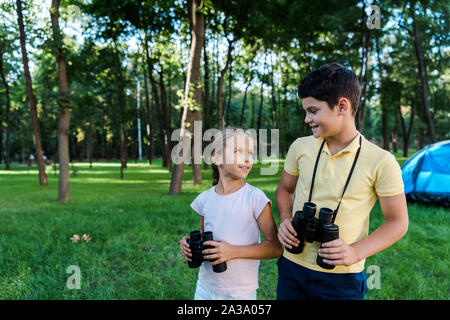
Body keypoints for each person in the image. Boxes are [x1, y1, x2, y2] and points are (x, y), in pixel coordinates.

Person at [276, 63, 409, 300]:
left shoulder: (381, 161)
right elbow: (285, 189)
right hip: (292, 266)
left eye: (313, 111)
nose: (307, 119)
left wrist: (355, 252)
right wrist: (286, 220)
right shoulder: (300, 147)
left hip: (341, 277)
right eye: (306, 111)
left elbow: (398, 222)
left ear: (342, 106)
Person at [180, 127, 282, 300]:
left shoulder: (255, 198)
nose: (247, 158)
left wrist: (233, 251)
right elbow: (207, 240)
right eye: (238, 151)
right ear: (216, 158)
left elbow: (275, 247)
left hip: (240, 293)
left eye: (250, 152)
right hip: (205, 288)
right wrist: (190, 246)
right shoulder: (204, 200)